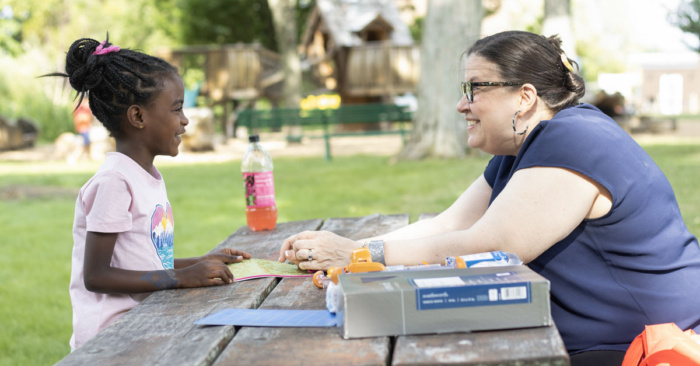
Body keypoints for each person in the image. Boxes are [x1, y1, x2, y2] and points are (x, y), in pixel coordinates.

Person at [278, 31, 700, 365]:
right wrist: (356, 253)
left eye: (476, 88)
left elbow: (495, 246)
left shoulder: (573, 138)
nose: (462, 104)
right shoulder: (525, 147)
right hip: (599, 338)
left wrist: (356, 254)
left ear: (525, 97)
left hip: (646, 348)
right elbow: (450, 224)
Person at [45, 36, 252, 351]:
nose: (185, 120)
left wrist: (198, 264)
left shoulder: (147, 176)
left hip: (143, 326)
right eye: (177, 109)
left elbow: (143, 260)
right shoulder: (114, 182)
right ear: (138, 117)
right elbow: (97, 275)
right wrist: (179, 277)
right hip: (109, 342)